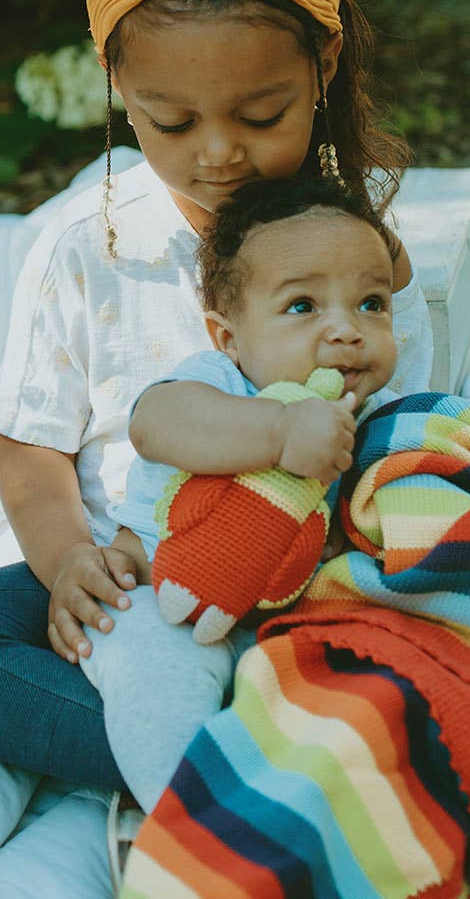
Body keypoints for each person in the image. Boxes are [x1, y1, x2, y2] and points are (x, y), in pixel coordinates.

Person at [0, 0, 434, 796]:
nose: (217, 153)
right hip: (138, 573)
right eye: (171, 122)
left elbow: (403, 428)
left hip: (305, 567)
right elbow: (32, 448)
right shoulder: (87, 248)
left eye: (261, 116)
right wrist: (69, 565)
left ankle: (213, 762)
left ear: (324, 65)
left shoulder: (359, 256)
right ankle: (259, 770)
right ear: (116, 82)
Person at [79, 173, 401, 814]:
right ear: (229, 336)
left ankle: (322, 792)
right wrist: (279, 431)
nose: (347, 330)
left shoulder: (378, 413)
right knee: (156, 687)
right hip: (160, 604)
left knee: (373, 691)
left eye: (371, 303)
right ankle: (192, 821)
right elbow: (155, 425)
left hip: (278, 623)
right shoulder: (217, 381)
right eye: (304, 307)